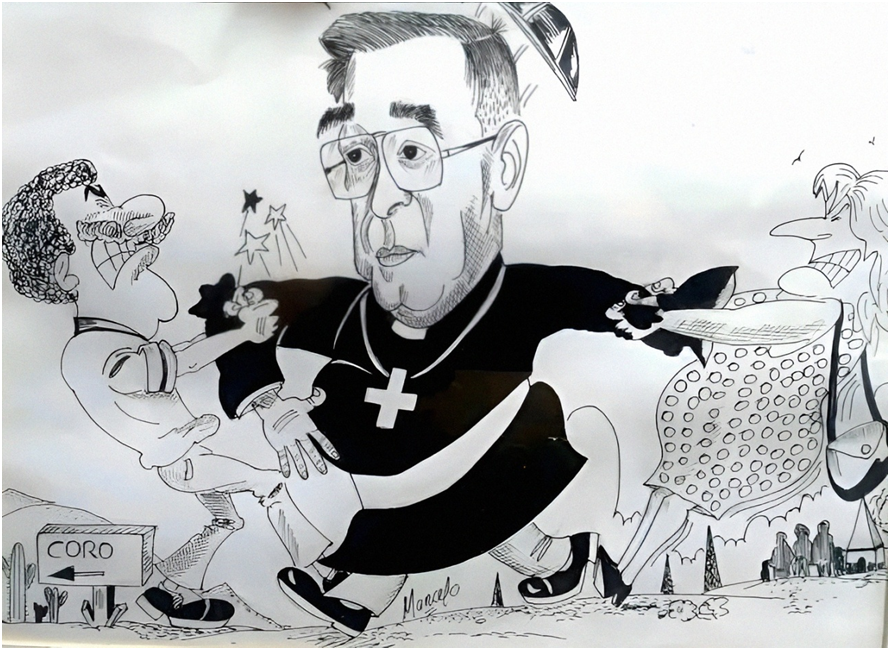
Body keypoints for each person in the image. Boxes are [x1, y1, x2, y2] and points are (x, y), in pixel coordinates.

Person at [203, 11, 735, 635]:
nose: (379, 201)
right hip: (395, 483)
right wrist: (268, 401)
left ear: (502, 168)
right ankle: (565, 561)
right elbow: (230, 304)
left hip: (483, 476)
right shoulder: (341, 309)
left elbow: (613, 304)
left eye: (411, 152)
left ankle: (372, 581)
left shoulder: (522, 300)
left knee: (518, 432)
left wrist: (663, 315)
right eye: (355, 156)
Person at [1, 160, 283, 627]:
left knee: (226, 519)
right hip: (183, 462)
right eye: (104, 230)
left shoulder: (112, 337)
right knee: (268, 482)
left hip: (187, 455)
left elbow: (178, 356)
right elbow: (175, 365)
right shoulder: (90, 349)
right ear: (65, 272)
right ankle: (321, 577)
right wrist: (242, 334)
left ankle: (167, 593)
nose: (130, 242)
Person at [612, 163, 890, 593]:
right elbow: (748, 322)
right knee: (672, 490)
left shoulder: (833, 306)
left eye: (837, 219)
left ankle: (622, 576)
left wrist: (669, 316)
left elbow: (755, 327)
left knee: (678, 490)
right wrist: (668, 311)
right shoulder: (831, 297)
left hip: (755, 420)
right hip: (738, 401)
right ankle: (622, 575)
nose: (821, 233)